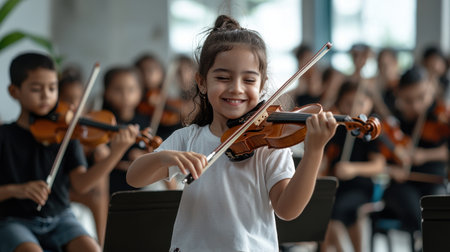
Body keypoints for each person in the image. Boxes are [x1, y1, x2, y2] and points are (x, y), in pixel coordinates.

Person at [126, 15, 338, 251]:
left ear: (262, 84)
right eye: (223, 77)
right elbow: (134, 178)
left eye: (248, 79)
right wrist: (163, 157)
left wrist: (314, 151)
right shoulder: (188, 138)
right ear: (202, 82)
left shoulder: (269, 146)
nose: (236, 88)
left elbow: (287, 210)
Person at [0, 52, 139, 252]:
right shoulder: (5, 136)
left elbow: (81, 184)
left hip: (60, 218)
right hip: (15, 221)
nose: (46, 95)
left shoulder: (67, 133)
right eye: (36, 89)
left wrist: (116, 153)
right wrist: (17, 189)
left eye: (52, 88)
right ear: (14, 91)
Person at [382, 66, 448, 238]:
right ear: (400, 97)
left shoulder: (441, 115)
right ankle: (426, 242)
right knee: (410, 205)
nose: (416, 106)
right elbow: (384, 159)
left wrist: (424, 155)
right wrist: (391, 170)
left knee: (436, 208)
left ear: (430, 88)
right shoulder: (395, 121)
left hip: (434, 179)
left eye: (421, 97)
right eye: (409, 100)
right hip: (403, 184)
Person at [320, 81, 385, 252]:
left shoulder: (369, 132)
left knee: (334, 213)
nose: (354, 108)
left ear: (370, 103)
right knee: (324, 210)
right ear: (340, 103)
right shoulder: (337, 129)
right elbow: (325, 160)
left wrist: (353, 169)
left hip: (360, 187)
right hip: (338, 187)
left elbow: (379, 165)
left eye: (360, 103)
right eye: (348, 103)